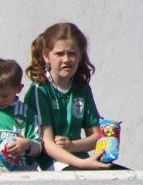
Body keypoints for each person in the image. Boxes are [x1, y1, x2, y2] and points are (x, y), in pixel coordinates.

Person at [24, 22, 114, 170]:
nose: (66, 59)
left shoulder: (82, 88)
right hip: (50, 164)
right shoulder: (39, 90)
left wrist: (72, 146)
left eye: (72, 53)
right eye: (59, 54)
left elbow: (97, 137)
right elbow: (47, 144)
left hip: (80, 159)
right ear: (46, 56)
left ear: (80, 56)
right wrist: (81, 163)